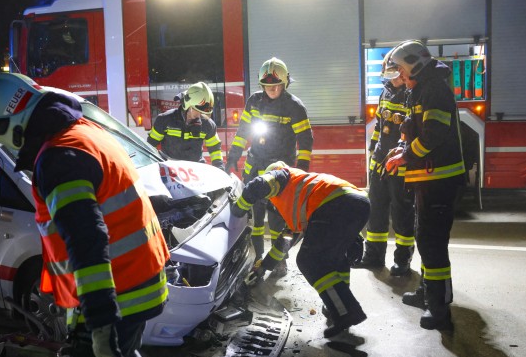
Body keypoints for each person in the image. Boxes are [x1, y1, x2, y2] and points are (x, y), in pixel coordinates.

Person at [0, 72, 169, 357]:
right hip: (139, 280)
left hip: (116, 294)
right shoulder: (83, 132)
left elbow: (87, 240)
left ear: (14, 126)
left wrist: (99, 321)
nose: (11, 149)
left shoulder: (58, 159)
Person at [231, 161, 369, 338]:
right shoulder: (301, 196)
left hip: (336, 206)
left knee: (309, 260)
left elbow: (257, 185)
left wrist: (238, 210)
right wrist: (263, 267)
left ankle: (345, 312)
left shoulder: (282, 176)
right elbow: (285, 242)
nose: (269, 200)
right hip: (358, 203)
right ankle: (338, 304)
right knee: (334, 259)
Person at [384, 40, 466, 331]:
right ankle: (428, 293)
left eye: (403, 70)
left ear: (415, 65)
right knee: (425, 238)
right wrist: (400, 148)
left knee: (433, 243)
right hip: (427, 181)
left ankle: (439, 309)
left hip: (440, 180)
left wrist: (405, 155)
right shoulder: (420, 89)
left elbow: (433, 136)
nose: (400, 76)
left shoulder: (434, 90)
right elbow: (412, 127)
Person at [225, 57, 314, 276]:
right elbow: (243, 131)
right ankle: (257, 258)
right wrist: (233, 155)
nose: (272, 89)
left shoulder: (294, 106)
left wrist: (301, 169)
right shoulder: (254, 101)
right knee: (255, 218)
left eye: (276, 85)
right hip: (255, 167)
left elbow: (305, 140)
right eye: (267, 86)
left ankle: (279, 262)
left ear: (285, 84)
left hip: (279, 171)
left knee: (277, 220)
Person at [353, 47, 415, 276]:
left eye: (396, 73)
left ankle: (402, 259)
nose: (394, 78)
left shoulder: (411, 95)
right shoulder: (385, 93)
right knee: (376, 210)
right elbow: (379, 127)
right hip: (381, 161)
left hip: (400, 163)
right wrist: (373, 155)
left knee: (402, 211)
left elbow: (410, 133)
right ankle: (374, 256)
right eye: (390, 74)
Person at [147, 81, 225, 170]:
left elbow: (215, 148)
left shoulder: (208, 125)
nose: (200, 115)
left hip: (196, 170)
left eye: (203, 112)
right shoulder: (165, 120)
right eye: (197, 110)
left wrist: (219, 166)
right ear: (188, 105)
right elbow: (150, 146)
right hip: (170, 171)